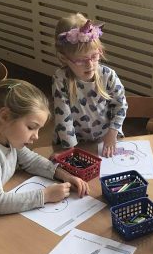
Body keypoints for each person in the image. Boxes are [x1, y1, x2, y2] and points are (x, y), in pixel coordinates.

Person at [0, 79, 89, 219]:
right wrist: (45, 195)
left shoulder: (5, 134)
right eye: (31, 127)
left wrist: (64, 175)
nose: (36, 136)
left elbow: (31, 161)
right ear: (5, 116)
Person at [52, 12, 128, 157]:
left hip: (104, 139)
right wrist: (70, 149)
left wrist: (112, 133)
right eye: (81, 60)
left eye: (94, 56)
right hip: (71, 142)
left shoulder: (108, 76)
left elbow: (121, 106)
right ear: (64, 58)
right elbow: (63, 116)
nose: (90, 64)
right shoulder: (61, 79)